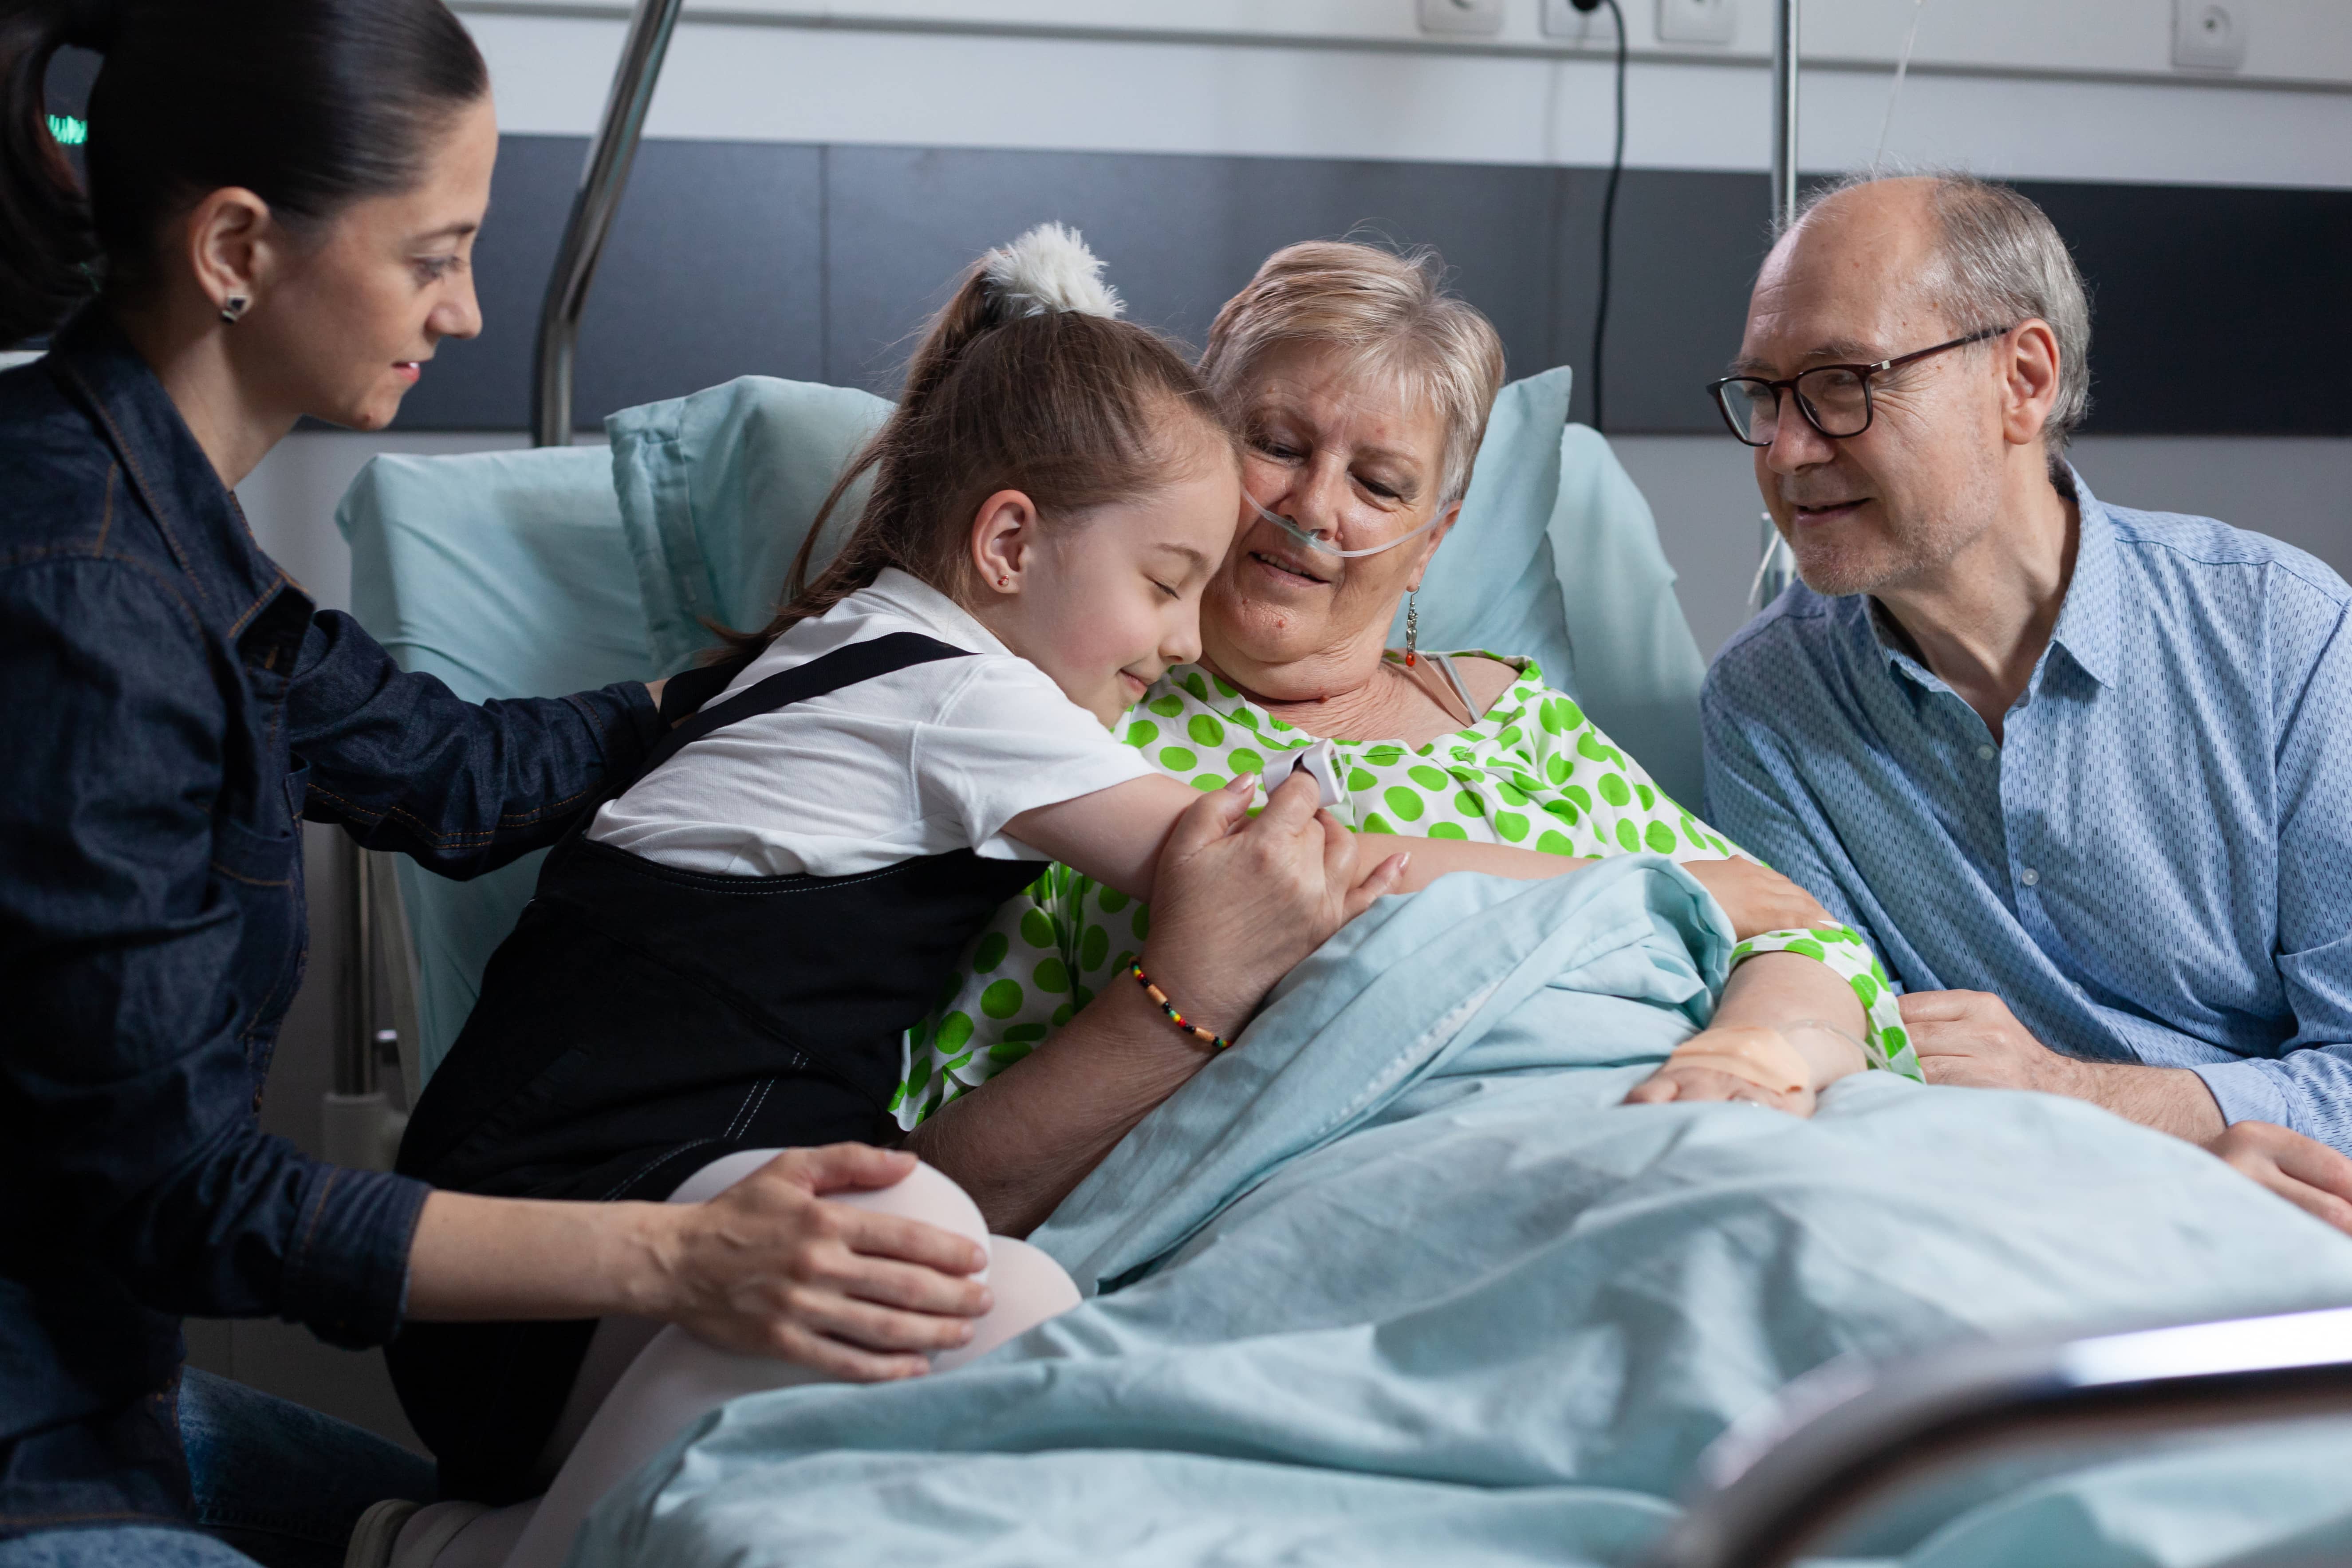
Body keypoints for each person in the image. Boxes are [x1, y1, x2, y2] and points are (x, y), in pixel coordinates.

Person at [898, 240, 1912, 1221]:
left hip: (1695, 1145)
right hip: (1392, 1204)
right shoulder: (1078, 735)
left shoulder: (1516, 724)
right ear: (1190, 446)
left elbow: (1802, 932)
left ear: (1433, 541)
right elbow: (948, 1176)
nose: (1313, 508)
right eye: (1276, 445)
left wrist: (1747, 1056)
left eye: (1379, 485)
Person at [1698, 170, 2352, 1233]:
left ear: (2023, 378)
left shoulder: (2283, 638)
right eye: (1764, 395)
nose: (1784, 451)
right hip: (1998, 1223)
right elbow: (1841, 1041)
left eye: (1838, 382)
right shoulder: (1768, 706)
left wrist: (2101, 1105)